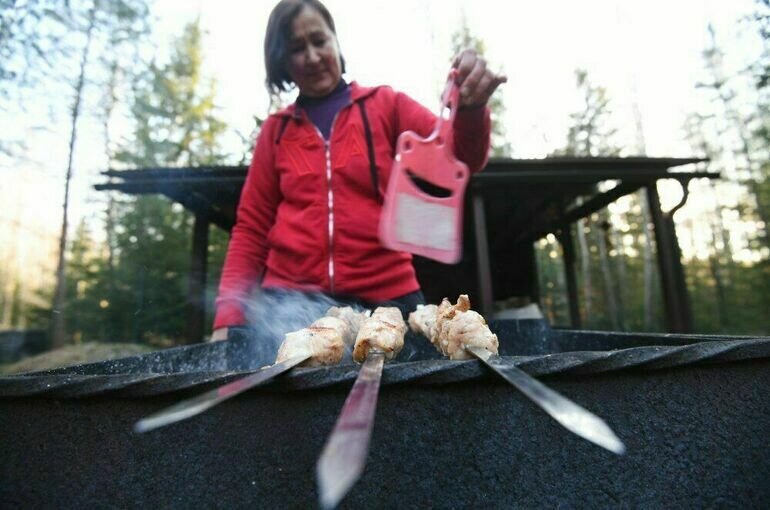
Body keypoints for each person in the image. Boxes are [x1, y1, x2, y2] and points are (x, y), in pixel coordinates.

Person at [211, 0, 506, 341]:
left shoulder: (386, 104)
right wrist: (228, 317)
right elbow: (251, 228)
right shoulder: (275, 132)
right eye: (297, 48)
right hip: (291, 308)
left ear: (335, 41)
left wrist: (470, 109)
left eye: (319, 40)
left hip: (388, 302)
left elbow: (462, 157)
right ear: (283, 61)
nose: (312, 56)